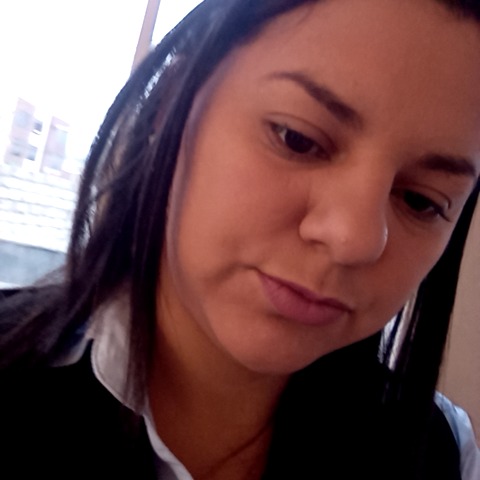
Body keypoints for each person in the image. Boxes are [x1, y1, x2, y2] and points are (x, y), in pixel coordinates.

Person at [1, 0, 479, 478]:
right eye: (297, 139)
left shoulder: (439, 452)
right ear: (171, 105)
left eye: (421, 200)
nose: (354, 239)